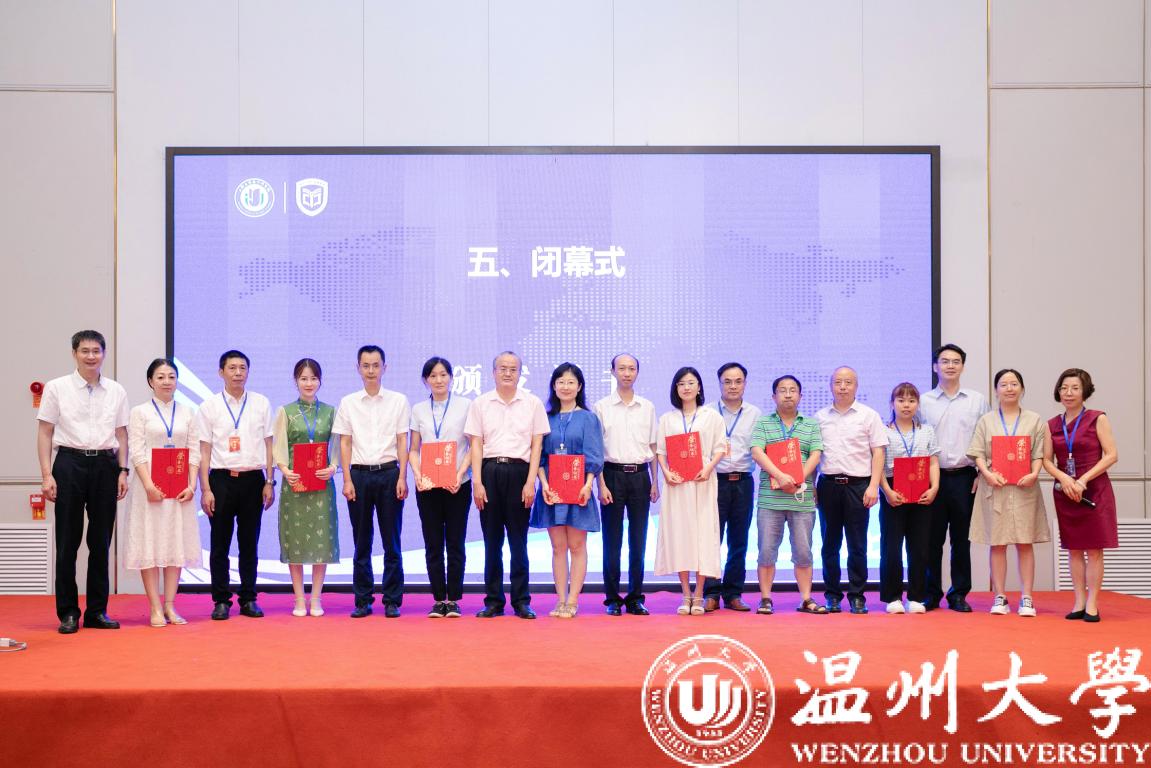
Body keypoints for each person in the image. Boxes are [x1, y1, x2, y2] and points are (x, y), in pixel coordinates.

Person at [36, 330, 130, 634]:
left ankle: (97, 611)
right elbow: (45, 432)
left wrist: (123, 471)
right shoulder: (57, 388)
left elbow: (122, 435)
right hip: (69, 464)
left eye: (96, 351)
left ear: (104, 353)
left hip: (105, 465)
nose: (91, 356)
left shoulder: (116, 390)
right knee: (67, 542)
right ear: (74, 353)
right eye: (85, 351)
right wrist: (46, 475)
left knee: (101, 542)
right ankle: (68, 613)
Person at [465, 351, 549, 619]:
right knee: (492, 542)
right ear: (493, 372)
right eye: (502, 368)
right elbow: (476, 445)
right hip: (489, 472)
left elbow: (537, 445)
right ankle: (493, 601)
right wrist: (477, 482)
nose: (508, 373)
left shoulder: (532, 403)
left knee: (518, 541)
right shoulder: (480, 403)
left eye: (513, 369)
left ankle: (522, 601)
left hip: (520, 473)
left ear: (520, 373)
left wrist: (530, 482)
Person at [197, 350, 275, 620]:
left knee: (249, 543)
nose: (238, 373)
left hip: (253, 480)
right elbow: (204, 451)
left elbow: (269, 445)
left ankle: (249, 598)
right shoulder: (209, 407)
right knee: (219, 544)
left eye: (242, 368)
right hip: (221, 480)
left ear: (248, 372)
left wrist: (269, 481)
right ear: (221, 372)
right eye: (232, 368)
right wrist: (205, 489)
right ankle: (221, 600)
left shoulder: (261, 403)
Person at [332, 345, 410, 618]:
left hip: (390, 474)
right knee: (361, 541)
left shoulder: (398, 400)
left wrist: (403, 476)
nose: (371, 370)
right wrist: (347, 480)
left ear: (384, 368)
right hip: (359, 476)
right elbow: (345, 442)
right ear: (358, 368)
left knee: (392, 541)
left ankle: (392, 600)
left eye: (376, 365)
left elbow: (402, 441)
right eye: (366, 365)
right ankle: (362, 600)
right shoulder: (348, 402)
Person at [125, 358, 201, 627]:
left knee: (174, 543)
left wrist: (192, 485)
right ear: (150, 381)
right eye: (160, 377)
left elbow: (194, 451)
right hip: (149, 490)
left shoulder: (188, 412)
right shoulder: (140, 412)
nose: (167, 381)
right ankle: (155, 607)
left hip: (179, 489)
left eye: (171, 376)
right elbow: (136, 451)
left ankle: (170, 606)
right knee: (150, 542)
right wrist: (148, 485)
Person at [967, 368, 1050, 617]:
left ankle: (1027, 597)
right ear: (996, 390)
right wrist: (987, 473)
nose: (1009, 388)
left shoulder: (1034, 419)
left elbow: (1039, 453)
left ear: (1022, 389)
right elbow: (977, 453)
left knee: (1025, 542)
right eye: (1003, 384)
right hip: (996, 487)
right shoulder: (987, 420)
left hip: (1025, 487)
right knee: (998, 543)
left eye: (1014, 384)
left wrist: (1034, 473)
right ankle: (1000, 596)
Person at [1041, 368, 1118, 623]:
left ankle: (1093, 604)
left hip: (1094, 488)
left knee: (1094, 550)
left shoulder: (1098, 418)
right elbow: (1046, 460)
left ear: (1085, 391)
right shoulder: (1051, 424)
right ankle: (1079, 601)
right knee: (1073, 549)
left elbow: (1111, 455)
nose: (1068, 393)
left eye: (1075, 388)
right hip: (1066, 490)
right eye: (1064, 388)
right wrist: (1064, 478)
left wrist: (1083, 480)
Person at [530, 363, 604, 618]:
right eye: (561, 381)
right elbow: (538, 456)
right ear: (554, 386)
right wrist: (544, 485)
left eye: (571, 382)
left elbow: (594, 455)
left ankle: (573, 601)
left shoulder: (588, 418)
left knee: (577, 545)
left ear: (579, 386)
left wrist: (588, 484)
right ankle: (560, 600)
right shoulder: (545, 418)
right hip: (551, 490)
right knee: (558, 547)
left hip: (579, 489)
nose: (565, 386)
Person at [918, 343, 988, 612]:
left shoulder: (976, 400)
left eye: (955, 361)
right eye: (944, 361)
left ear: (963, 367)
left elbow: (987, 437)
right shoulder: (923, 401)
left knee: (961, 539)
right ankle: (931, 593)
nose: (950, 365)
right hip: (931, 479)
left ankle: (958, 594)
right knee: (931, 539)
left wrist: (982, 472)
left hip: (964, 477)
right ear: (935, 366)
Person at [814, 366, 888, 614]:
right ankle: (832, 595)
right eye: (838, 382)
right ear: (831, 386)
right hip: (828, 485)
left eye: (848, 382)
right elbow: (814, 454)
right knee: (829, 544)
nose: (843, 387)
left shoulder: (869, 415)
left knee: (857, 545)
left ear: (856, 386)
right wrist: (812, 485)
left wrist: (873, 486)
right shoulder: (820, 417)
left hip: (858, 486)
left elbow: (879, 452)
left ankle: (857, 596)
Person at [749, 375, 824, 615]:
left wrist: (797, 478)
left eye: (793, 390)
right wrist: (781, 476)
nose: (788, 394)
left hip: (801, 498)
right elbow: (757, 452)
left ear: (800, 396)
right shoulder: (763, 423)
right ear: (774, 396)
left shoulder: (810, 424)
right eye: (782, 390)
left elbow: (816, 454)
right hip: (770, 499)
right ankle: (765, 598)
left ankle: (806, 599)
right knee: (766, 551)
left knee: (803, 551)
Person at [655, 367, 726, 615]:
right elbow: (660, 452)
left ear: (699, 387)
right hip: (677, 484)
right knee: (681, 535)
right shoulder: (667, 419)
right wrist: (666, 472)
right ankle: (685, 594)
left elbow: (720, 448)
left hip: (702, 481)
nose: (686, 387)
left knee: (702, 535)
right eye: (681, 383)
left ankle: (699, 594)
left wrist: (708, 468)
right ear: (676, 388)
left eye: (691, 382)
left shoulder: (712, 417)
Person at [594, 353, 659, 616]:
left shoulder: (647, 407)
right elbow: (597, 451)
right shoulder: (601, 407)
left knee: (638, 539)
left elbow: (653, 447)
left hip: (641, 476)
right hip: (611, 475)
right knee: (612, 540)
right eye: (622, 368)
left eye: (631, 369)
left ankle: (635, 597)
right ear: (613, 372)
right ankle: (612, 598)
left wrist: (655, 483)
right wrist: (601, 484)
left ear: (637, 373)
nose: (627, 373)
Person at [273, 358, 339, 618]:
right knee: (296, 541)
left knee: (322, 541)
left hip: (322, 485)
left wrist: (333, 467)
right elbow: (279, 446)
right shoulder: (285, 411)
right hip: (295, 484)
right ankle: (299, 598)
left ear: (320, 381)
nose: (308, 383)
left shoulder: (331, 412)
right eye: (303, 378)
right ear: (296, 381)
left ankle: (316, 598)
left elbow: (337, 446)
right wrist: (285, 470)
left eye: (313, 378)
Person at [408, 356, 473, 619]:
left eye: (443, 375)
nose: (438, 380)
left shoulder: (466, 406)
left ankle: (453, 599)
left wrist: (460, 473)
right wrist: (418, 474)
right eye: (433, 376)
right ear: (426, 380)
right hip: (428, 487)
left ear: (451, 378)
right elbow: (414, 449)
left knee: (455, 542)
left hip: (458, 484)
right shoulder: (418, 410)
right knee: (433, 543)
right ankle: (438, 600)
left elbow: (473, 446)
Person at [702, 363, 762, 613]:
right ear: (719, 384)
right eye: (727, 381)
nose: (733, 386)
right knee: (711, 540)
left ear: (745, 384)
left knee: (739, 540)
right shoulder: (707, 412)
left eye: (738, 381)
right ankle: (711, 593)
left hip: (743, 482)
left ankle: (733, 593)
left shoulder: (755, 414)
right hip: (714, 482)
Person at [878, 382, 940, 614]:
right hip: (893, 490)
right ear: (892, 403)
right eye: (901, 400)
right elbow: (878, 465)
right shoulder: (883, 431)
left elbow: (933, 461)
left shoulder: (927, 430)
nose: (906, 405)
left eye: (911, 400)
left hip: (922, 491)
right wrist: (887, 491)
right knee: (891, 547)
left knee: (920, 547)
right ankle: (892, 597)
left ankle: (916, 597)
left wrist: (934, 488)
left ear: (918, 404)